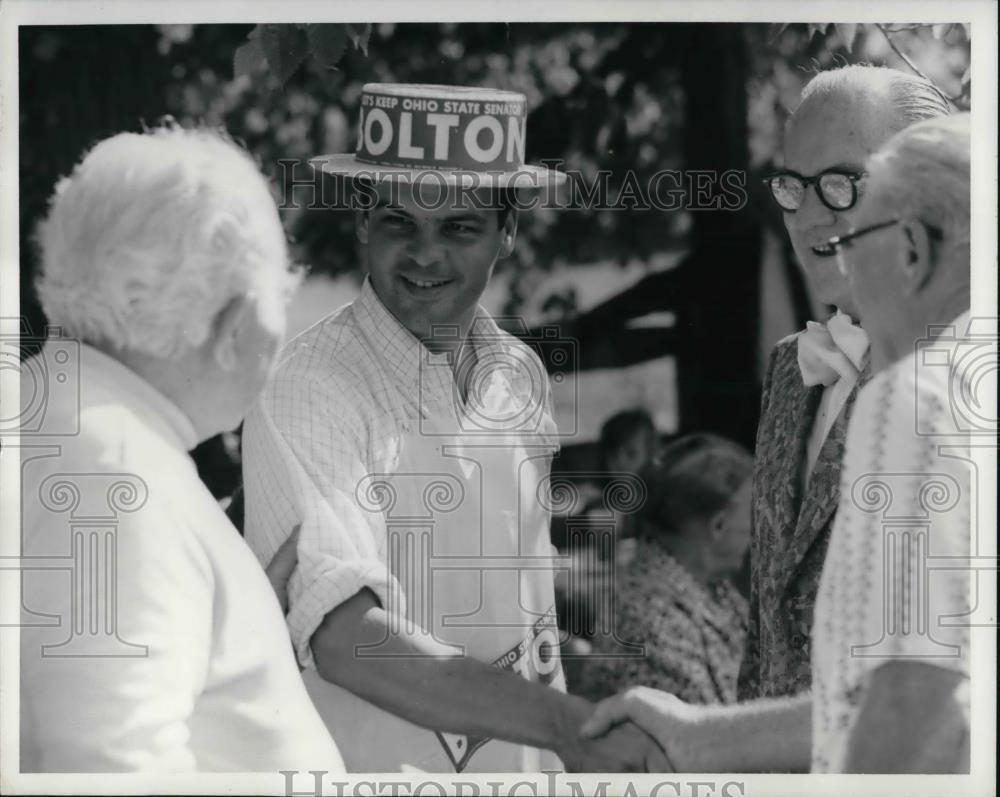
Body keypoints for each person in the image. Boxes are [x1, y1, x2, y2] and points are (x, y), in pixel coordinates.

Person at [241, 83, 667, 773]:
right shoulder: (310, 389)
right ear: (361, 222)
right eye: (398, 222)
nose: (424, 255)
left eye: (460, 227)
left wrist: (564, 736)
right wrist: (568, 724)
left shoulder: (517, 372)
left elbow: (529, 607)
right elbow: (347, 639)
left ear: (509, 231)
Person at [579, 113, 973, 775]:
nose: (835, 250)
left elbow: (908, 701)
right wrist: (703, 735)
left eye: (856, 235)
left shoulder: (916, 397)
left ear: (910, 247)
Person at [18, 125, 345, 772]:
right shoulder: (117, 476)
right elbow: (107, 767)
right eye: (282, 291)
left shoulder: (61, 418)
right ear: (233, 326)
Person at [740, 64, 952, 703]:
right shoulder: (788, 371)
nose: (808, 214)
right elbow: (767, 627)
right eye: (793, 185)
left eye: (842, 182)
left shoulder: (964, 380)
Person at [576, 434, 751, 705]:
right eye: (751, 514)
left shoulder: (712, 587)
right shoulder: (651, 616)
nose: (757, 529)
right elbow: (706, 733)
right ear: (718, 526)